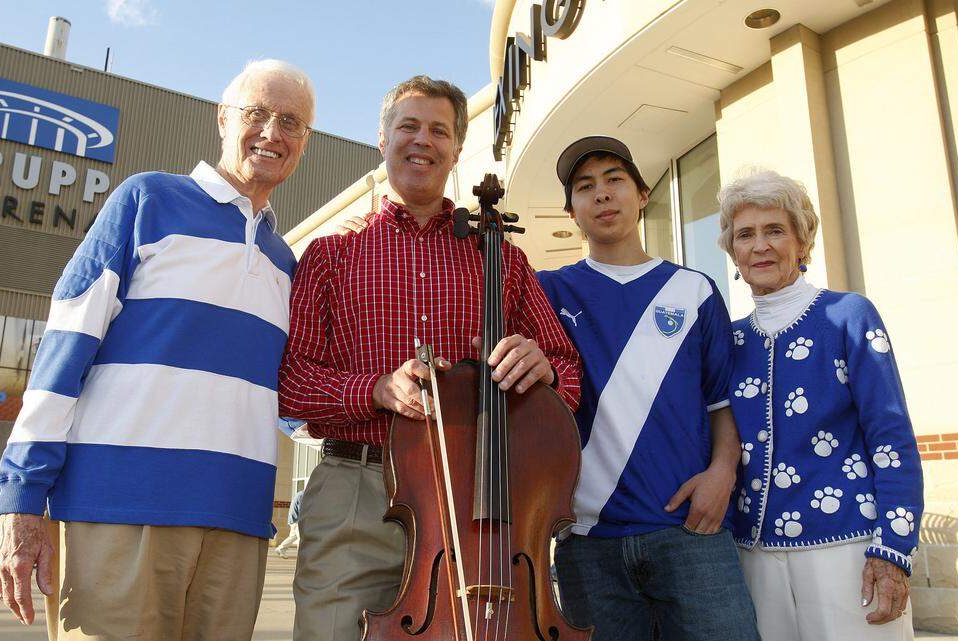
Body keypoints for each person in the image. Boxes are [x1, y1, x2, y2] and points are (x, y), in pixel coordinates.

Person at [0, 59, 313, 640]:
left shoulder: (284, 263)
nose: (272, 132)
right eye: (256, 113)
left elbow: (290, 402)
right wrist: (21, 495)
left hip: (237, 524)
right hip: (118, 510)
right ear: (222, 118)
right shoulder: (147, 201)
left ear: (304, 141)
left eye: (290, 121)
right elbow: (64, 348)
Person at [278, 75, 581, 641]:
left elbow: (566, 376)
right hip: (355, 492)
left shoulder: (504, 261)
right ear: (383, 139)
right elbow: (293, 384)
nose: (423, 140)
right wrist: (374, 390)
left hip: (475, 500)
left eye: (439, 130)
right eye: (408, 126)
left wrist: (541, 369)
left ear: (457, 150)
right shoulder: (330, 254)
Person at [533, 136, 759, 641]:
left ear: (642, 194)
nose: (603, 194)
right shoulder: (548, 291)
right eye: (585, 187)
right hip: (587, 538)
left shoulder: (694, 289)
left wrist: (722, 474)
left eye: (615, 180)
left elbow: (721, 403)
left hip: (690, 529)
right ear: (572, 212)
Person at [716, 170, 923, 640]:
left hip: (849, 549)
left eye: (775, 230)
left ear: (802, 242)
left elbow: (891, 439)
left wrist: (893, 549)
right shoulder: (729, 341)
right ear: (732, 252)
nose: (760, 245)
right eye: (745, 234)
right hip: (754, 556)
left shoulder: (849, 315)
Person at [275, 489, 304, 558]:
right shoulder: (302, 495)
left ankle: (280, 549)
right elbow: (300, 510)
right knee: (301, 538)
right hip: (296, 520)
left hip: (293, 519)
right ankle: (301, 556)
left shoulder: (299, 494)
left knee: (293, 537)